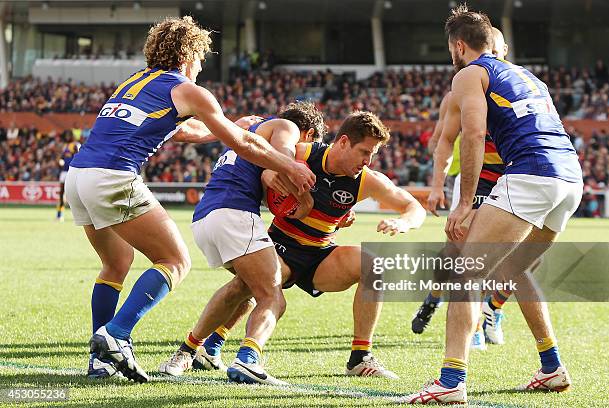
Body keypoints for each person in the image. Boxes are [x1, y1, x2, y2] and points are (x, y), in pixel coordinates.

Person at [65, 16, 314, 383]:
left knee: (116, 263)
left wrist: (224, 125)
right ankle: (116, 335)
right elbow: (243, 143)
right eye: (200, 58)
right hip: (114, 176)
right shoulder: (186, 88)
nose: (200, 66)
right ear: (188, 54)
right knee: (175, 261)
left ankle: (101, 360)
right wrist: (287, 166)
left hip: (78, 176)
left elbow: (184, 130)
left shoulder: (134, 82)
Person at [402, 6, 581, 404]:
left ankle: (450, 381)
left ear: (459, 45)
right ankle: (551, 367)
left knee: (465, 274)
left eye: (451, 49)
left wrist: (464, 203)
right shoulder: (528, 75)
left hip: (529, 175)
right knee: (514, 272)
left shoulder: (469, 72)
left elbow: (474, 133)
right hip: (569, 178)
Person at [165, 111, 427, 382]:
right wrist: (270, 176)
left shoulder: (366, 179)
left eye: (372, 154)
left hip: (321, 255)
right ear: (344, 142)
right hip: (280, 246)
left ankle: (360, 358)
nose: (367, 161)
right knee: (244, 287)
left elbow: (413, 206)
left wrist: (404, 222)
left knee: (374, 265)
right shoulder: (302, 153)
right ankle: (191, 348)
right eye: (364, 151)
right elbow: (266, 167)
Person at [159, 101, 326, 385]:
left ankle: (194, 351)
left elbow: (265, 182)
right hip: (234, 215)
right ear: (308, 134)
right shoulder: (287, 128)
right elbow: (283, 158)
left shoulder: (253, 131)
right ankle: (248, 361)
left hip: (205, 218)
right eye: (311, 145)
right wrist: (304, 193)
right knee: (272, 296)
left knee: (244, 287)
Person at [412, 28, 510, 349]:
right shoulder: (460, 92)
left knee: (520, 256)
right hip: (474, 178)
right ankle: (436, 297)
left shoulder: (519, 86)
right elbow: (444, 142)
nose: (494, 53)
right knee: (458, 251)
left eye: (498, 49)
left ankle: (490, 310)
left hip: (511, 178)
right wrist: (437, 185)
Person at [56, 133, 81, 221]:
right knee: (63, 195)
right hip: (66, 173)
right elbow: (60, 160)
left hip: (70, 173)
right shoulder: (68, 150)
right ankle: (60, 215)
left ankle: (61, 215)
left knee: (71, 195)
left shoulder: (75, 151)